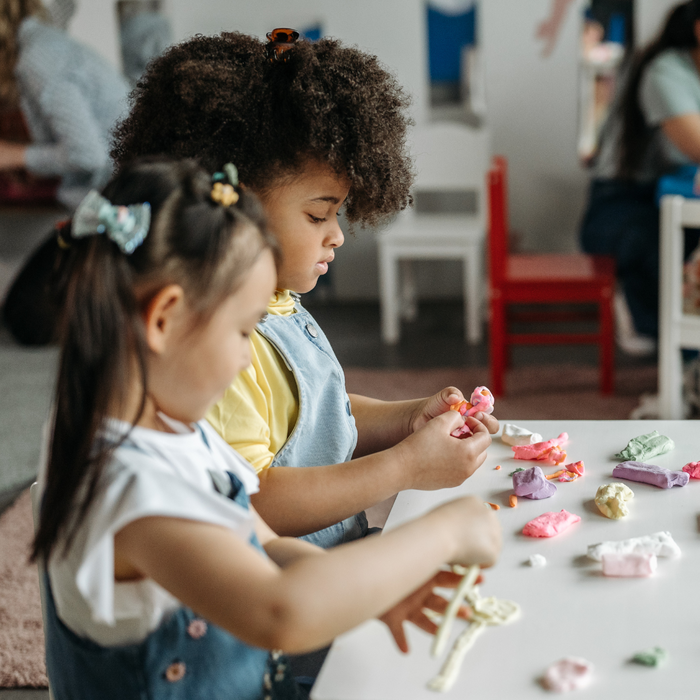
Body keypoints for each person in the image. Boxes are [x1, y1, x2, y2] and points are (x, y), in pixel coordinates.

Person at [33, 157, 502, 700]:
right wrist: (447, 530)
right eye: (243, 330)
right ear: (163, 319)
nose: (245, 360)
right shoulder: (129, 486)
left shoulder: (169, 427)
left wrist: (371, 588)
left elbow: (266, 542)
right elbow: (283, 608)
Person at [111, 30, 500, 550]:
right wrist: (405, 467)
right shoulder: (214, 348)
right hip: (279, 587)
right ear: (239, 205)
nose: (337, 233)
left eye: (337, 213)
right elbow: (256, 502)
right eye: (318, 214)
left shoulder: (278, 303)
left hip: (325, 565)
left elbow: (320, 419)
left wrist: (409, 419)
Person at [580, 0, 700, 352]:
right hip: (615, 207)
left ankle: (669, 336)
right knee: (672, 246)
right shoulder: (665, 72)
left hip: (656, 198)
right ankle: (675, 345)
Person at [0, 0, 129, 209]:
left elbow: (88, 155)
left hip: (120, 201)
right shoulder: (39, 43)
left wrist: (13, 156)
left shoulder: (38, 58)